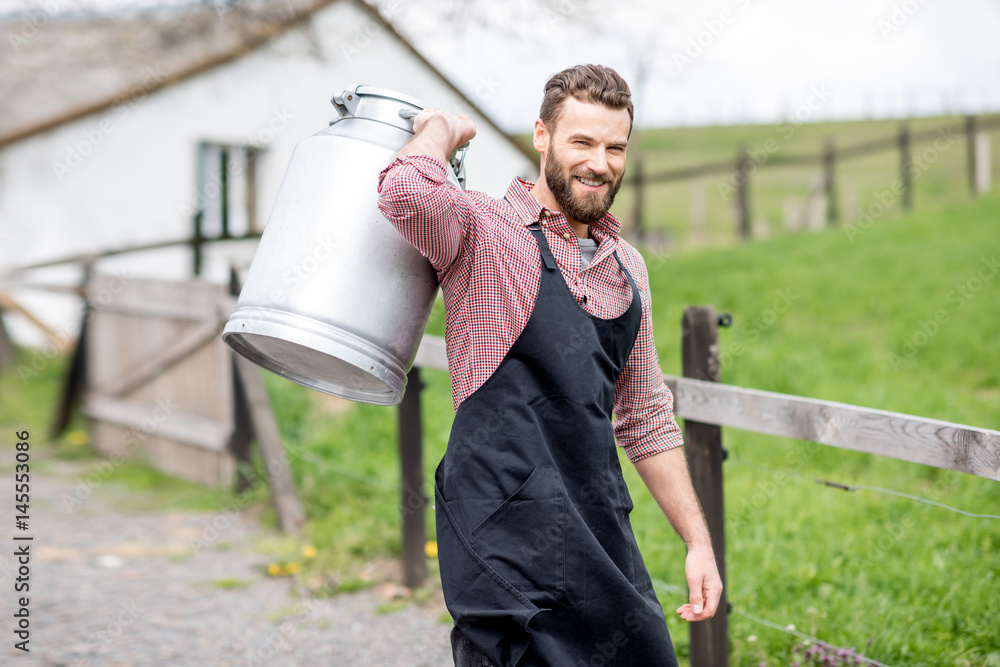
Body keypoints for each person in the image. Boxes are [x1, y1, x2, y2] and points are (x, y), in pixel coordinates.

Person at [377, 64, 722, 667]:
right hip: (500, 533)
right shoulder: (485, 230)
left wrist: (697, 541)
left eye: (616, 147)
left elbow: (645, 416)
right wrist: (438, 130)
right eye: (582, 142)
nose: (601, 163)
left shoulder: (627, 267)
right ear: (542, 137)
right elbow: (402, 192)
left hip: (596, 528)